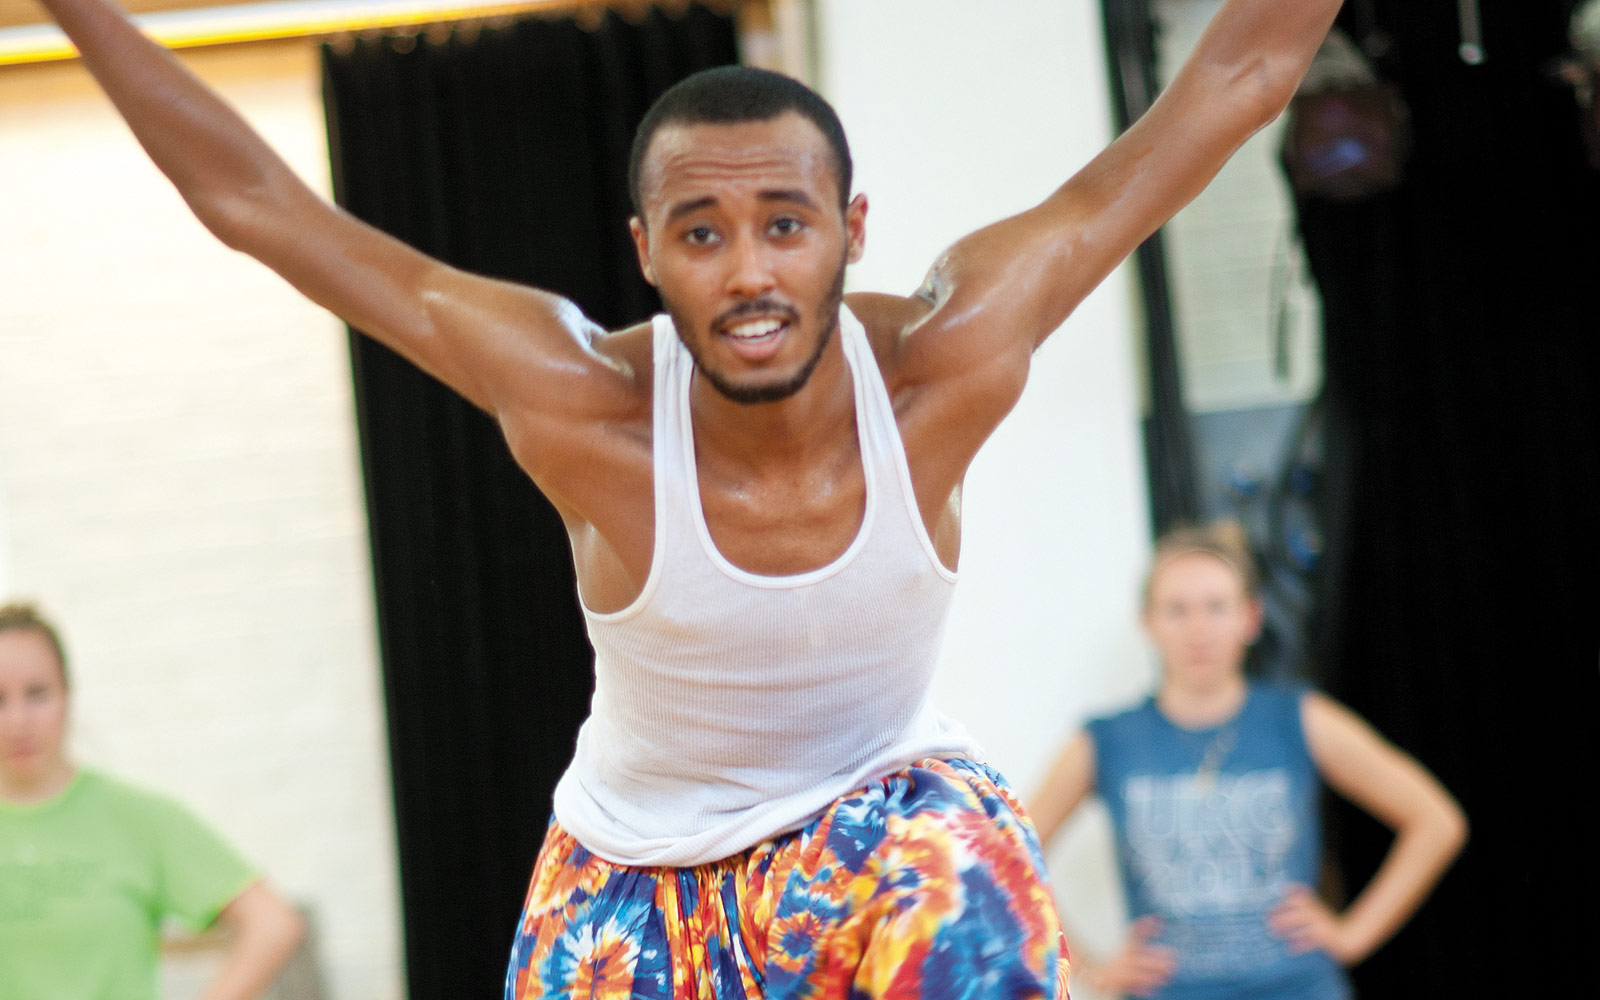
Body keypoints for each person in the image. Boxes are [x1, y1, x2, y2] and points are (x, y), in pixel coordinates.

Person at [34, 0, 1348, 995]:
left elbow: (1234, 78)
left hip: (883, 815)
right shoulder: (576, 396)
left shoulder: (949, 358)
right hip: (631, 867)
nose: (750, 274)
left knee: (971, 886)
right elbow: (256, 201)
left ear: (853, 227)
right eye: (703, 234)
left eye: (787, 222)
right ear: (645, 251)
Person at [1027, 524, 1467, 1000]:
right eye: (1177, 610)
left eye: (1217, 607)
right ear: (1147, 622)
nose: (1198, 628)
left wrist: (1352, 933)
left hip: (1297, 987)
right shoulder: (1106, 740)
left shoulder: (1300, 719)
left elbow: (1436, 821)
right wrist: (1088, 966)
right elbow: (1014, 854)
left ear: (1251, 618)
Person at [0, 601, 306, 999]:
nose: (19, 720)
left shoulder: (138, 819)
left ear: (68, 695)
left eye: (38, 694)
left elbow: (272, 924)